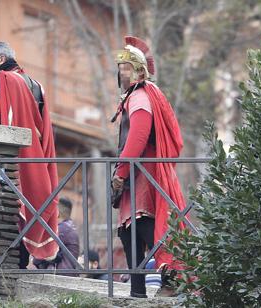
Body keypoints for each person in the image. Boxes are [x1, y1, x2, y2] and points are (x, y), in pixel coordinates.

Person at [111, 36, 187, 298]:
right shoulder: (139, 96)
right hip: (140, 172)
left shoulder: (140, 97)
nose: (122, 72)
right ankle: (138, 290)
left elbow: (139, 137)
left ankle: (175, 279)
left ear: (139, 72)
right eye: (120, 67)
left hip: (142, 174)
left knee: (141, 225)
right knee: (130, 230)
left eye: (127, 68)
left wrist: (121, 172)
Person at [0, 41, 59, 265]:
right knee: (31, 209)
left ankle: (9, 267)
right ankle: (23, 263)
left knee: (11, 211)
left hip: (15, 161)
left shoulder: (1, 80)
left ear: (0, 60)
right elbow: (44, 129)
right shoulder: (36, 84)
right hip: (38, 160)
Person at [33, 197, 80, 275]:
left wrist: (36, 259)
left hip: (61, 277)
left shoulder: (62, 229)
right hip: (66, 276)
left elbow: (42, 254)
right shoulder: (69, 227)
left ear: (58, 212)